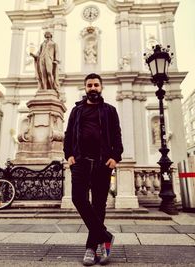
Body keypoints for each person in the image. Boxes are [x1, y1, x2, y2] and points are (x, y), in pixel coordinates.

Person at [64, 73, 123, 266]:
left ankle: (91, 248)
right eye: (89, 85)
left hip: (102, 163)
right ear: (85, 88)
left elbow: (116, 135)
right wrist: (69, 155)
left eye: (96, 85)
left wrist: (116, 157)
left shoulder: (109, 110)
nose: (93, 88)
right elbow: (68, 134)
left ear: (101, 87)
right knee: (78, 198)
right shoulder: (77, 111)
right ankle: (105, 236)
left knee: (99, 205)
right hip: (80, 162)